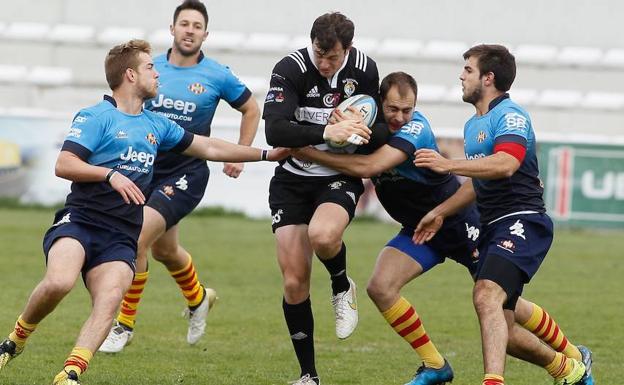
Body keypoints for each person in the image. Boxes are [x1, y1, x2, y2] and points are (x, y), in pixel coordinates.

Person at [0, 39, 285, 385]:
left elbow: (208, 146)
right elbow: (64, 163)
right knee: (59, 281)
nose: (157, 73)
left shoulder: (157, 125)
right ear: (131, 75)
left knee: (109, 300)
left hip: (121, 235)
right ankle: (14, 341)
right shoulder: (96, 116)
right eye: (150, 67)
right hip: (82, 221)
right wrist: (110, 173)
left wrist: (266, 155)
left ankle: (69, 375)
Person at [293, 71, 594, 385]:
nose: (399, 117)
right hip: (421, 229)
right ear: (380, 103)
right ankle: (435, 365)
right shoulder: (369, 125)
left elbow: (370, 167)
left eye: (406, 109)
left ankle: (572, 356)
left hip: (459, 222)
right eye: (393, 109)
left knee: (504, 306)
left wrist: (306, 151)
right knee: (380, 287)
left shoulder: (416, 128)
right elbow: (339, 136)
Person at [413, 45, 593, 385]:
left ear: (488, 77)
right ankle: (570, 368)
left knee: (485, 295)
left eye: (467, 69)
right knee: (504, 331)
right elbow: (480, 181)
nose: (461, 76)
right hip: (492, 228)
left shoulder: (511, 115)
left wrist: (447, 163)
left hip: (523, 220)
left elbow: (506, 163)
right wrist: (440, 211)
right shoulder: (473, 125)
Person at [99, 0, 261, 353]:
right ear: (172, 29)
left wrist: (242, 152)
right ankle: (199, 297)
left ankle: (124, 324)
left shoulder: (217, 75)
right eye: (184, 23)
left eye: (197, 25)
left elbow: (251, 107)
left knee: (137, 236)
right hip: (146, 169)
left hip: (187, 171)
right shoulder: (148, 68)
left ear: (205, 33)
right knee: (166, 251)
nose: (190, 30)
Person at [263, 12, 382, 385]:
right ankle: (308, 375)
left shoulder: (364, 70)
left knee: (324, 235)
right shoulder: (291, 67)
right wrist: (330, 129)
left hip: (338, 176)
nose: (324, 63)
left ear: (347, 50)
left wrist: (361, 130)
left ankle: (341, 284)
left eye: (332, 57)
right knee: (295, 282)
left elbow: (378, 127)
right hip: (292, 180)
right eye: (319, 53)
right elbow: (274, 129)